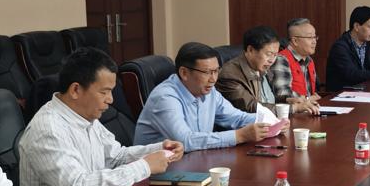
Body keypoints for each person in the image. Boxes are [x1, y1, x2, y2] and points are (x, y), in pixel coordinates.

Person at [18, 47, 184, 186]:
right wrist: (144, 166)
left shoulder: (84, 115)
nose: (110, 100)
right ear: (75, 90)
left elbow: (116, 157)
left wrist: (159, 150)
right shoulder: (48, 130)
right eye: (104, 92)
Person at [134, 42, 276, 151]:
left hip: (194, 162)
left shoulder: (209, 91)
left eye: (216, 71)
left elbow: (236, 117)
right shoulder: (165, 97)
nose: (213, 79)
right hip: (157, 172)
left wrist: (271, 122)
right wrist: (239, 136)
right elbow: (185, 141)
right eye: (207, 72)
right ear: (184, 73)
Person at [217, 25, 285, 114]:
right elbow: (251, 107)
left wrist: (287, 100)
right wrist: (292, 108)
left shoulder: (263, 67)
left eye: (275, 55)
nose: (272, 60)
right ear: (250, 50)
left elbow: (267, 99)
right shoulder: (229, 75)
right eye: (268, 54)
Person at [270, 18, 322, 116]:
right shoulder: (281, 59)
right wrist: (307, 99)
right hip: (290, 115)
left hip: (307, 112)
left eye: (315, 37)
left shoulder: (309, 60)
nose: (314, 41)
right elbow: (283, 95)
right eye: (310, 37)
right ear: (295, 41)